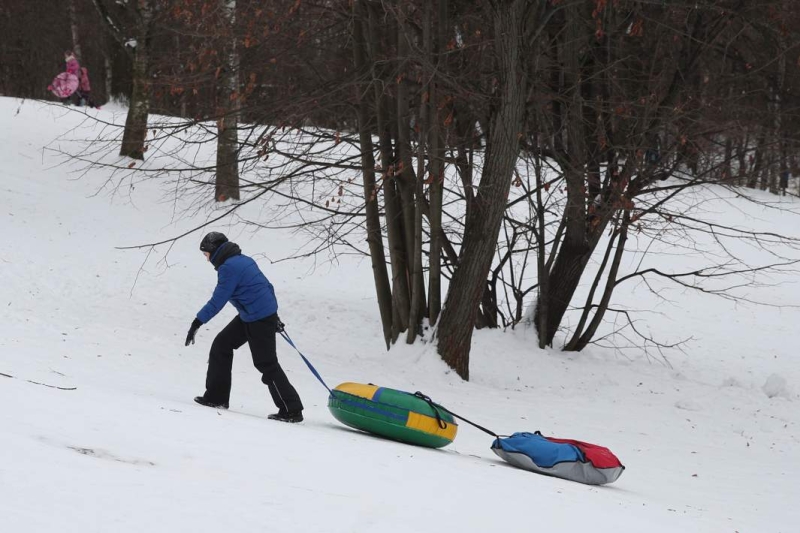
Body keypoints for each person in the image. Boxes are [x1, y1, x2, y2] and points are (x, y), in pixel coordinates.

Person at [185, 232, 304, 423]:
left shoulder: (229, 268)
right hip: (253, 314)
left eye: (206, 253)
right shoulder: (242, 260)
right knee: (222, 345)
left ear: (215, 251)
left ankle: (291, 409)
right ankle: (216, 398)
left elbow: (218, 300)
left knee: (266, 363)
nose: (206, 258)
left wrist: (197, 322)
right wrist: (274, 315)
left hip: (258, 317)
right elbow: (267, 286)